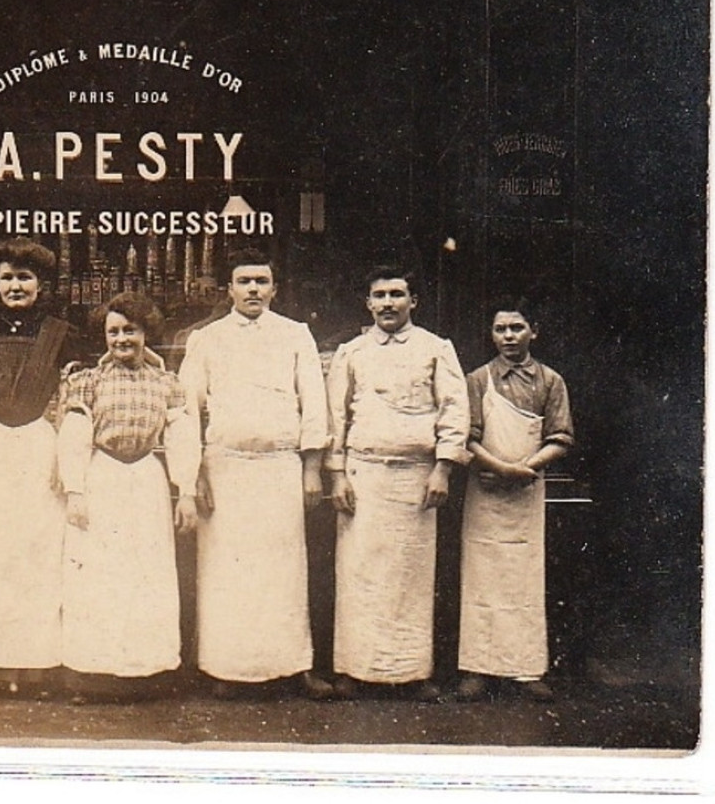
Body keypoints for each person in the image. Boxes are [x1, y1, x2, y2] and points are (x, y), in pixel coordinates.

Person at [177, 250, 334, 699]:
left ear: (274, 289)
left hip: (280, 469)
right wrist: (194, 476)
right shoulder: (205, 339)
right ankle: (225, 668)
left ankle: (293, 667)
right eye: (243, 281)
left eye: (261, 282)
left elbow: (315, 403)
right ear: (228, 288)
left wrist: (311, 469)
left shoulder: (295, 335)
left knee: (284, 573)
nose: (252, 290)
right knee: (228, 573)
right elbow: (188, 410)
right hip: (225, 469)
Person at [325, 267, 470, 701]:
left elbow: (454, 409)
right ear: (367, 303)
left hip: (415, 480)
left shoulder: (436, 349)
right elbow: (337, 416)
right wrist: (336, 473)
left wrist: (443, 468)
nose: (388, 303)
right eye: (379, 295)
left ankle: (413, 671)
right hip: (362, 477)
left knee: (411, 577)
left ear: (413, 301)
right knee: (359, 576)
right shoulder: (351, 352)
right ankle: (354, 669)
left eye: (397, 294)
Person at [58, 292, 201, 698]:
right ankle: (93, 672)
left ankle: (146, 671)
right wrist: (75, 490)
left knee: (146, 574)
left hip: (146, 482)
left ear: (146, 333)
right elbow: (74, 436)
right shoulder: (88, 380)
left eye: (130, 331)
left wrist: (186, 491)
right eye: (113, 331)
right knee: (99, 574)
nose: (122, 339)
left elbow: (182, 438)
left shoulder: (167, 384)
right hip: (102, 477)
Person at [0, 236, 78, 696]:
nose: (16, 286)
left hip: (38, 449)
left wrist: (67, 458)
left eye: (25, 277)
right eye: (8, 277)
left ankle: (37, 667)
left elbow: (70, 401)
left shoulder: (61, 332)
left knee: (36, 556)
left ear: (40, 284)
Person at [456, 302, 575, 702]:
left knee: (523, 576)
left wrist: (525, 468)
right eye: (500, 329)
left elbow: (560, 436)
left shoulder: (551, 381)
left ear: (533, 332)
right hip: (486, 489)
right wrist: (498, 467)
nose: (508, 336)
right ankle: (477, 669)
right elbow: (466, 435)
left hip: (526, 489)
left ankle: (525, 669)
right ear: (491, 334)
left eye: (516, 328)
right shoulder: (477, 379)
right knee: (482, 575)